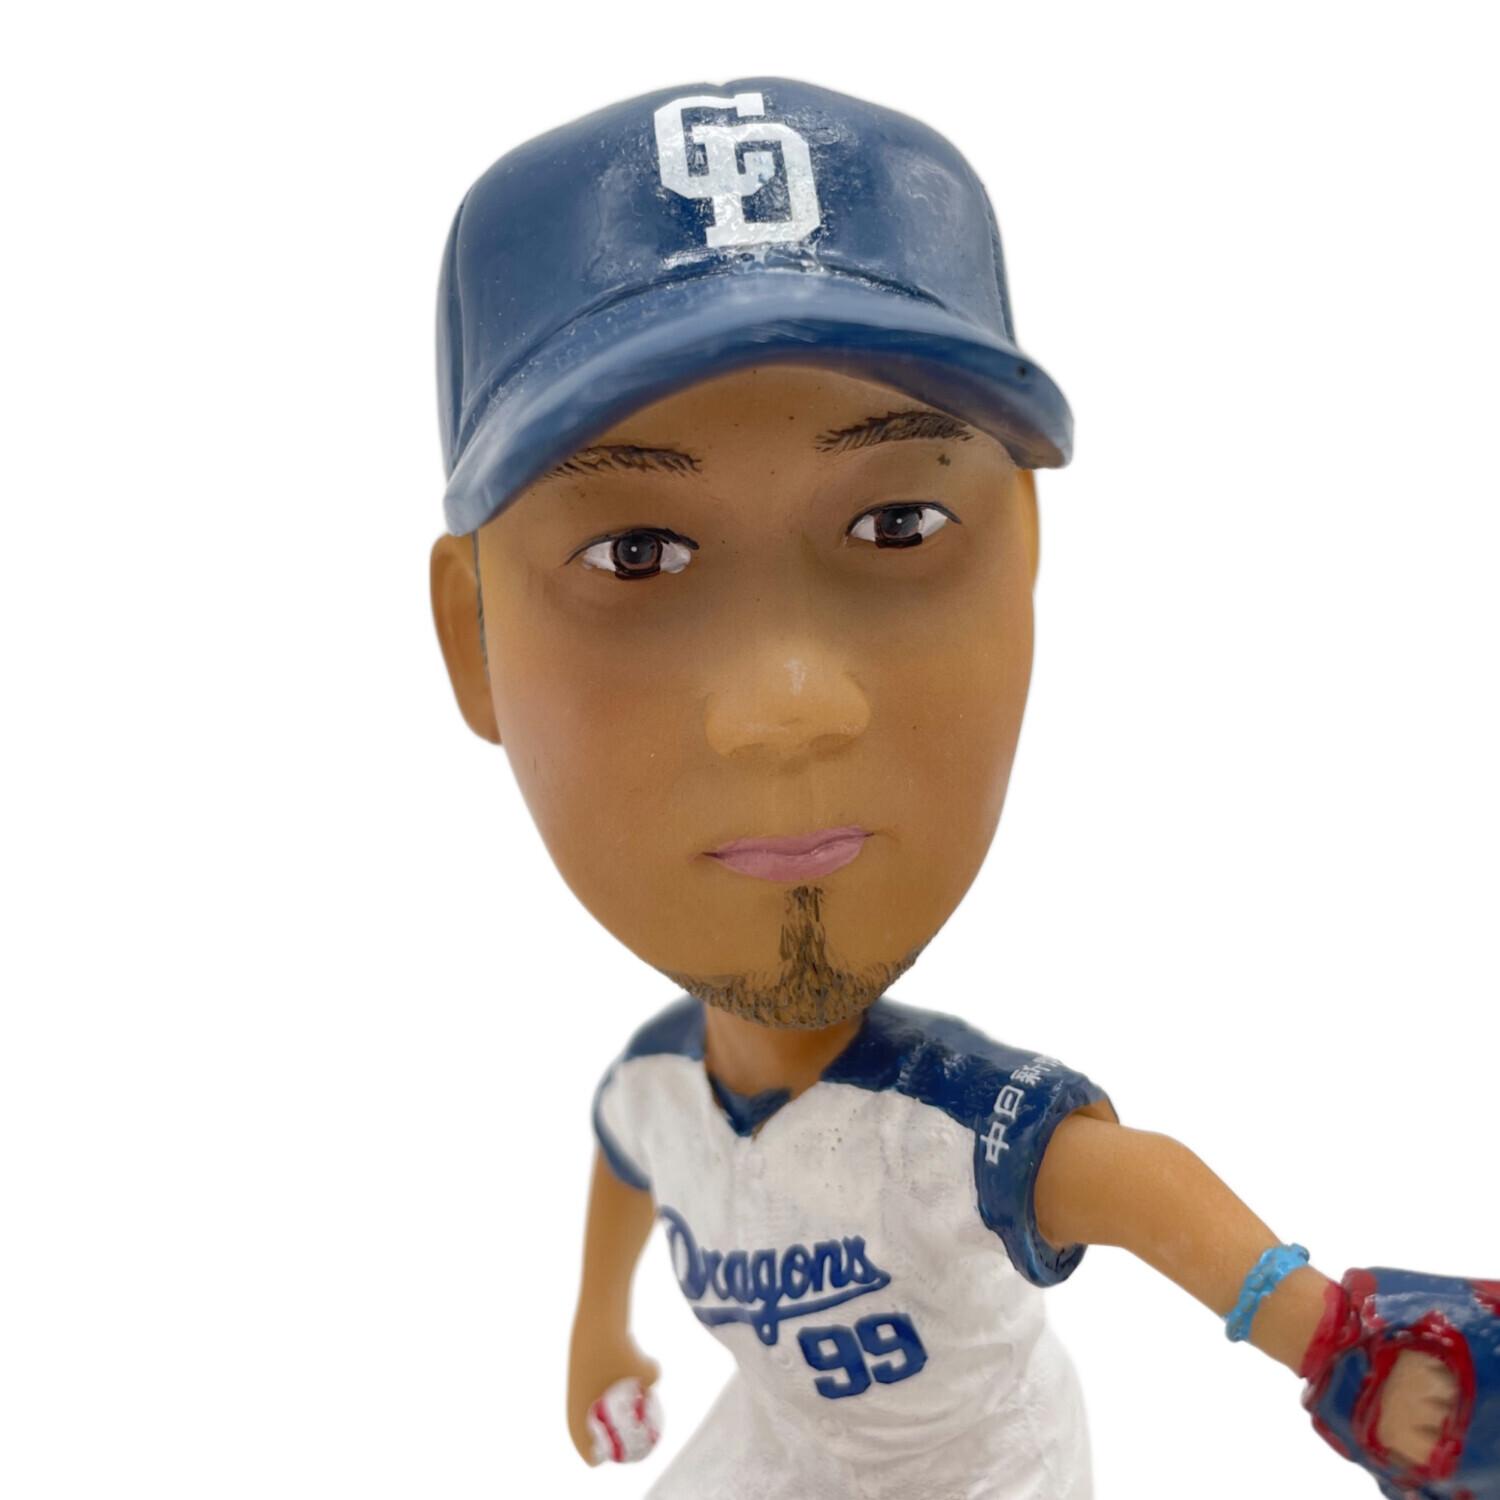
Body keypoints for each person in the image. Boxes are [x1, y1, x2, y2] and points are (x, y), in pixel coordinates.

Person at [427, 78, 1495, 1499]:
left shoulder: (938, 1124)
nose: (788, 701)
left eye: (897, 523)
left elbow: (1133, 1182)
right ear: (471, 638)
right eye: (636, 554)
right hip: (785, 1448)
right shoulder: (662, 1085)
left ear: (1027, 557)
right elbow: (633, 1159)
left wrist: (1339, 1343)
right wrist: (595, 1331)